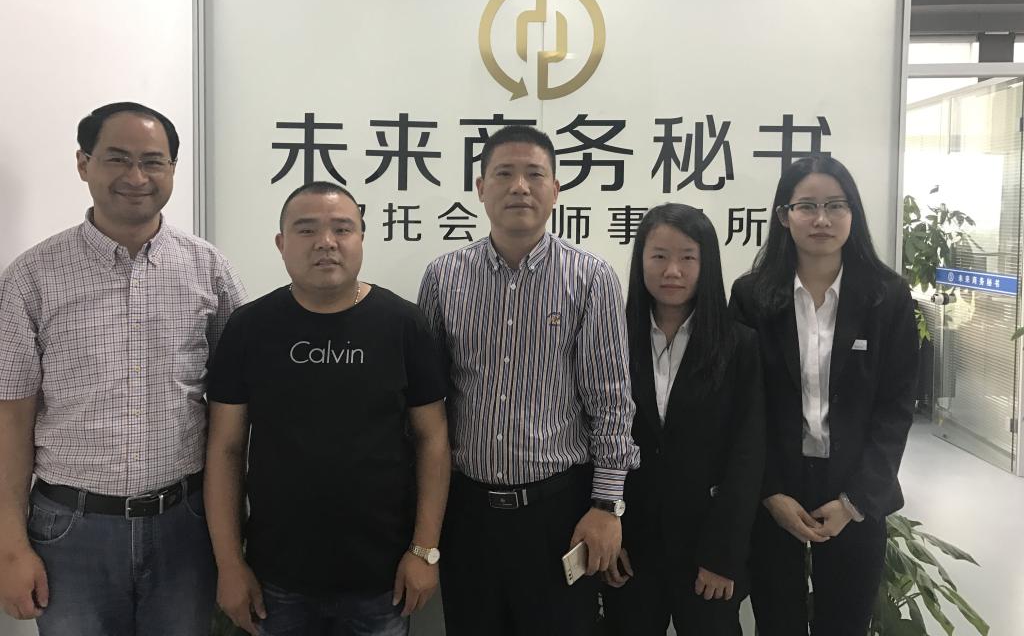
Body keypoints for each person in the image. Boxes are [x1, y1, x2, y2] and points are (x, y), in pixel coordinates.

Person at [0, 102, 246, 635]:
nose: (136, 177)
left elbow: (236, 408)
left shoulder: (210, 270)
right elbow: (12, 419)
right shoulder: (31, 278)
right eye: (117, 158)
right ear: (83, 163)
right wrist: (10, 545)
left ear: (173, 170)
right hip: (69, 531)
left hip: (185, 525)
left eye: (153, 161)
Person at [417, 125, 640, 636]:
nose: (520, 186)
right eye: (504, 174)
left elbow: (611, 403)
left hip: (558, 513)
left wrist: (606, 506)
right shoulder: (444, 277)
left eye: (535, 174)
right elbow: (428, 405)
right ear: (480, 188)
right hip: (467, 513)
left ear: (555, 189)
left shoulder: (591, 278)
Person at [204, 181, 450, 636]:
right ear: (281, 243)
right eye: (306, 230)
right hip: (276, 578)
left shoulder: (403, 324)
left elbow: (433, 439)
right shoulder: (249, 328)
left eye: (342, 228)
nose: (326, 242)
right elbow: (225, 449)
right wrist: (230, 565)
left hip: (383, 578)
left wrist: (424, 550)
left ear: (361, 238)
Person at [729, 155, 918, 636]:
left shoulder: (888, 297)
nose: (821, 219)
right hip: (777, 486)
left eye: (836, 205)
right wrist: (770, 491)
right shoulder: (751, 297)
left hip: (854, 486)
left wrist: (855, 502)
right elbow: (742, 405)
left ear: (853, 213)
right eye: (807, 206)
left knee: (846, 624)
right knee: (777, 622)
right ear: (783, 215)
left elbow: (896, 408)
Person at [602, 203, 764, 636]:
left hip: (706, 548)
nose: (672, 270)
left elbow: (747, 456)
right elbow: (592, 437)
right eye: (659, 256)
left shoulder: (739, 345)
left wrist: (723, 554)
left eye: (688, 257)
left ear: (706, 264)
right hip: (629, 546)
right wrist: (607, 528)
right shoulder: (611, 337)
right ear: (640, 261)